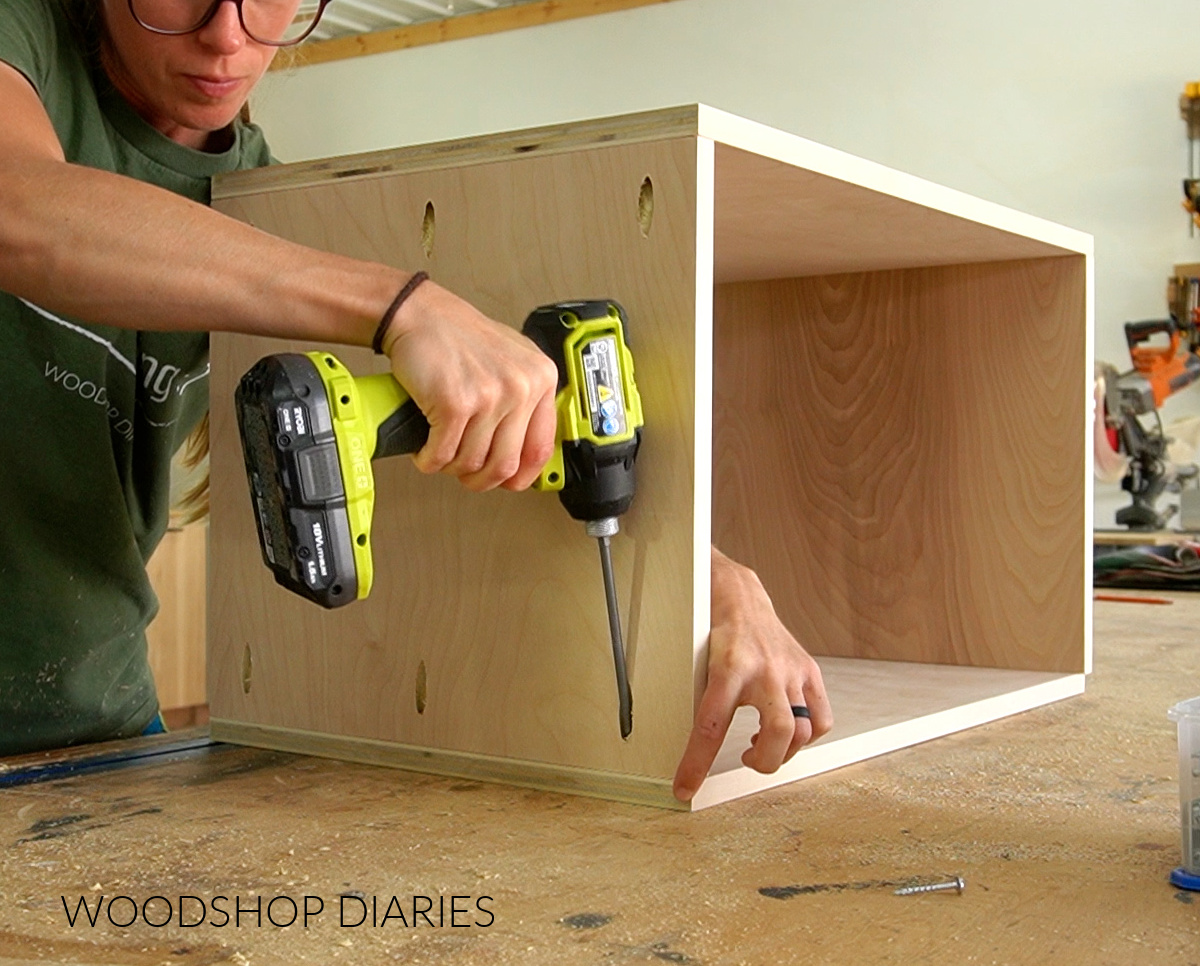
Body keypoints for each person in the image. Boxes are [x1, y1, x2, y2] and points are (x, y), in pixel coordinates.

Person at [0, 0, 830, 801]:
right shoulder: (25, 34)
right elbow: (16, 207)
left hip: (97, 719)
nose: (228, 34)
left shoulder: (268, 201)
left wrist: (718, 584)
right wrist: (404, 307)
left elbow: (511, 390)